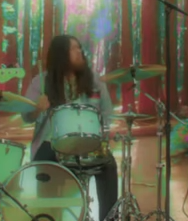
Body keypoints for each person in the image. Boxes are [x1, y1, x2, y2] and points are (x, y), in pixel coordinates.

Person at [22, 35, 118, 219]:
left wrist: (102, 133)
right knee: (43, 164)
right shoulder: (41, 82)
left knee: (108, 165)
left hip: (89, 143)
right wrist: (36, 109)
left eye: (79, 48)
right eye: (73, 49)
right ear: (61, 54)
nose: (79, 52)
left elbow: (106, 112)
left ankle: (109, 218)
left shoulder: (94, 81)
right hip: (51, 143)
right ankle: (49, 215)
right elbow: (26, 116)